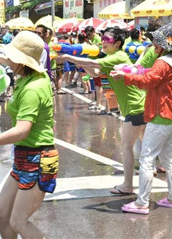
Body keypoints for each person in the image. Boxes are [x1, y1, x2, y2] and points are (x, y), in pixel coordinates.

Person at [0, 31, 58, 239]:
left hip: (40, 159)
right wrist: (4, 60)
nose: (9, 60)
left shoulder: (32, 88)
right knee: (1, 213)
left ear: (23, 61)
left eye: (12, 57)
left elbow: (22, 130)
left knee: (18, 221)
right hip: (23, 157)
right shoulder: (32, 76)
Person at [58, 27, 146, 195]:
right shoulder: (111, 57)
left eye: (107, 40)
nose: (102, 42)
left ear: (118, 43)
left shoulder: (118, 56)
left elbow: (95, 64)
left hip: (134, 107)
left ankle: (127, 185)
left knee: (126, 147)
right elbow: (96, 72)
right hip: (137, 105)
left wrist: (70, 56)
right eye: (102, 39)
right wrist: (80, 60)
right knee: (148, 145)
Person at [112, 25, 172, 214]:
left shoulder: (162, 62)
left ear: (162, 44)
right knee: (168, 160)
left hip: (161, 115)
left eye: (155, 41)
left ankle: (141, 202)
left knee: (146, 158)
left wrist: (126, 77)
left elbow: (148, 81)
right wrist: (131, 72)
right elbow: (150, 76)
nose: (152, 44)